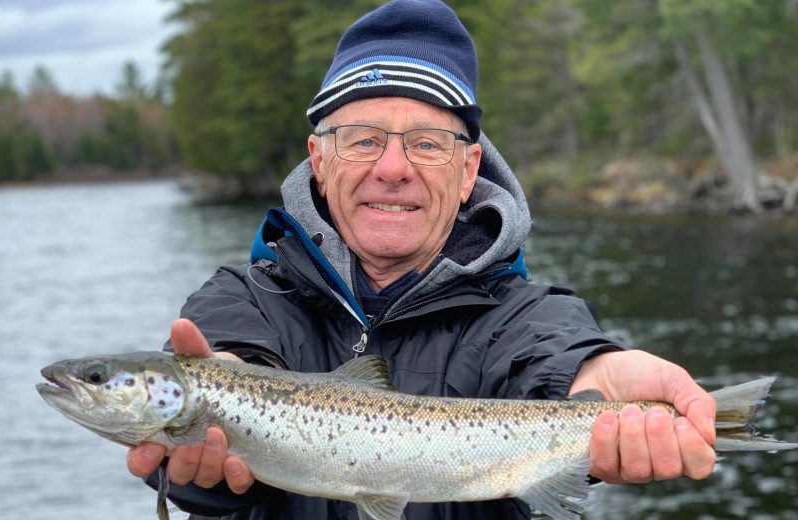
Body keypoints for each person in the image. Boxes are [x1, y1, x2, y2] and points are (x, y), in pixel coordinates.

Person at [127, 0, 717, 518]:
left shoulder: (527, 315)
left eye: (427, 145)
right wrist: (217, 405)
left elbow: (550, 353)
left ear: (468, 173)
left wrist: (591, 377)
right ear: (320, 161)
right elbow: (199, 460)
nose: (392, 168)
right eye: (363, 139)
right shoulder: (240, 300)